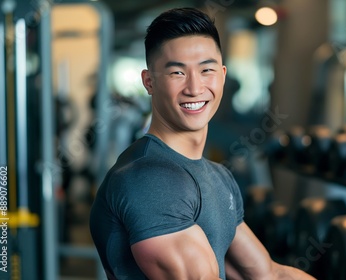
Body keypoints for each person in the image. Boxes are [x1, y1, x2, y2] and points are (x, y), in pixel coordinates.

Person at [89, 7, 316, 280]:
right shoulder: (149, 178)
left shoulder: (219, 177)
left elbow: (269, 274)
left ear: (221, 75)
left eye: (206, 70)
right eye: (177, 73)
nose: (195, 88)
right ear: (149, 82)